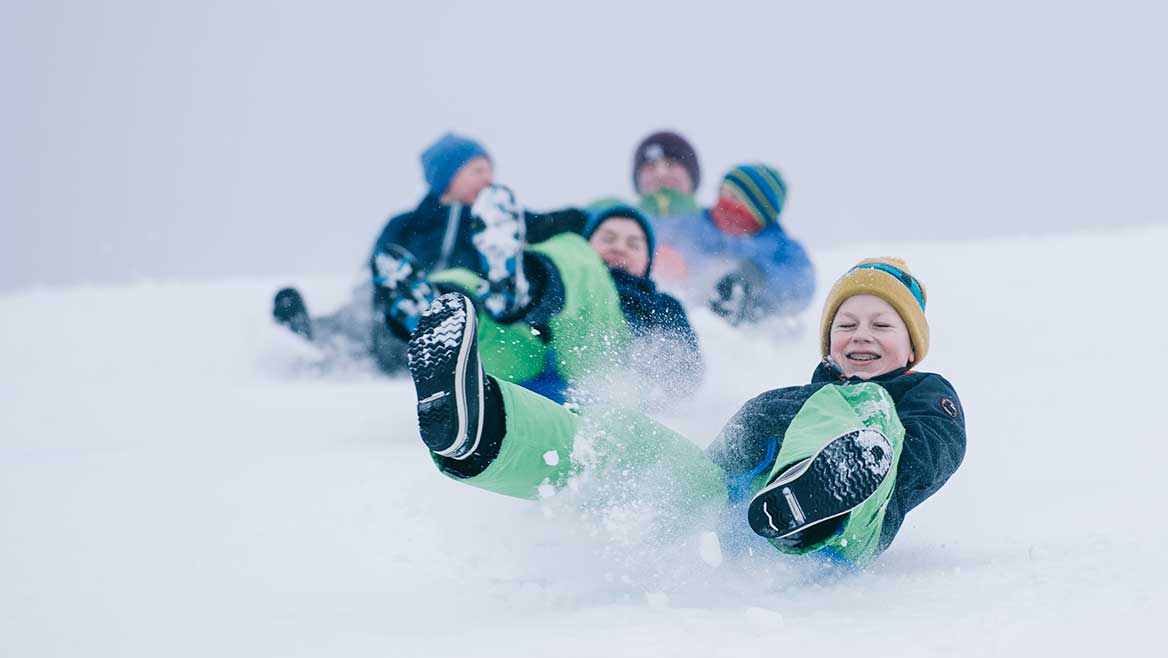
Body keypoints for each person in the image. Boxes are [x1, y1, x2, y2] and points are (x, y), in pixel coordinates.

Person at [404, 257, 965, 568]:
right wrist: (678, 488)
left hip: (842, 535)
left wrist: (868, 446)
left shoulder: (918, 398)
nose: (860, 335)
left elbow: (933, 456)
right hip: (738, 521)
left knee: (861, 406)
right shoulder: (781, 404)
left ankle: (813, 500)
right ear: (827, 341)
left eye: (881, 325)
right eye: (846, 324)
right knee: (629, 441)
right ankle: (484, 431)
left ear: (911, 348)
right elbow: (715, 464)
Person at [272, 132, 586, 373]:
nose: (489, 179)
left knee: (483, 296)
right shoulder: (407, 224)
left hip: (471, 310)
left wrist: (591, 218)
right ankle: (323, 333)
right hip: (400, 317)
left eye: (490, 171)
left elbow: (547, 225)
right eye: (478, 170)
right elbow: (381, 267)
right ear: (449, 175)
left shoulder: (499, 221)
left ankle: (445, 318)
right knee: (367, 311)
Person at [382, 189, 702, 407]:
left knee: (575, 257)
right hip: (536, 364)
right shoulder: (576, 270)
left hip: (604, 369)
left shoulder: (661, 304)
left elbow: (688, 371)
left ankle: (523, 287)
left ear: (648, 263)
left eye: (634, 244)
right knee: (484, 304)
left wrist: (660, 362)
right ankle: (431, 304)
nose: (619, 247)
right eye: (607, 238)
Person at [653, 164, 816, 325]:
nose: (724, 202)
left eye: (735, 197)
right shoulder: (693, 224)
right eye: (722, 193)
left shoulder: (781, 249)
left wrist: (758, 277)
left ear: (759, 209)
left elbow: (801, 286)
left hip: (744, 332)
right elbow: (646, 229)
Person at [631, 130, 703, 217]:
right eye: (651, 166)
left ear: (691, 175)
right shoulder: (615, 220)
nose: (661, 174)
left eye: (671, 164)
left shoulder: (719, 224)